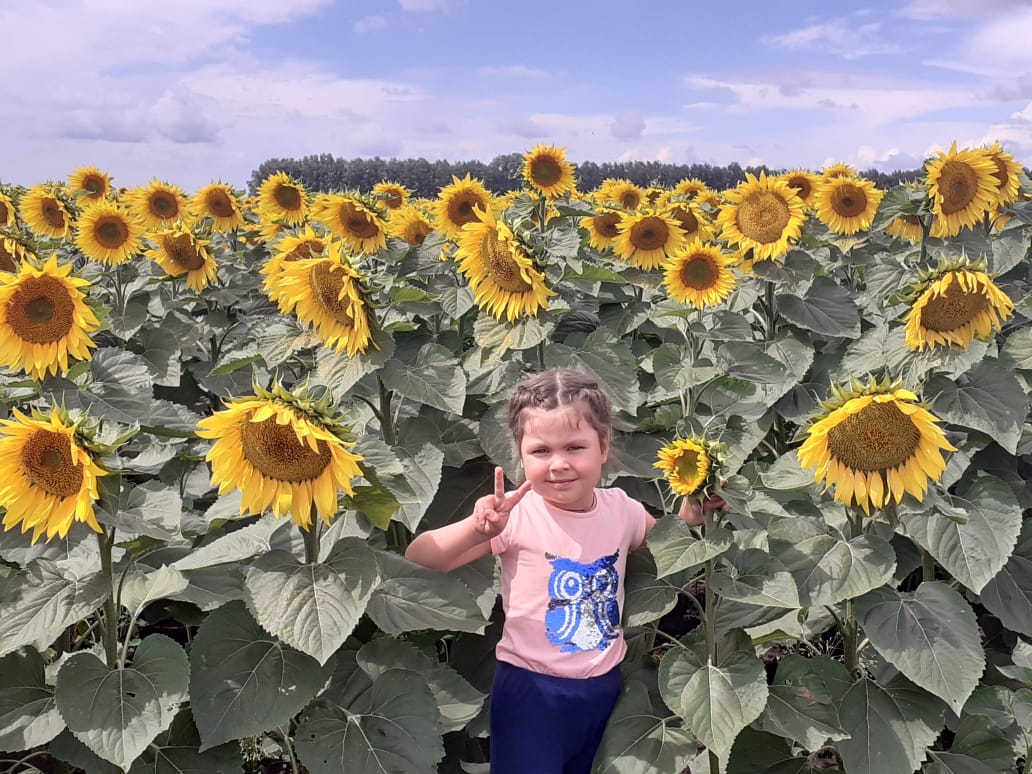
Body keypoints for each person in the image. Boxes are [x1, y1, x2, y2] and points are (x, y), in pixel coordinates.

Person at [405, 368, 725, 774]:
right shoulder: (516, 517)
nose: (559, 464)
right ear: (519, 454)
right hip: (532, 694)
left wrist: (693, 511)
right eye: (541, 451)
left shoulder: (621, 509)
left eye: (575, 447)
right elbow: (421, 557)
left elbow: (665, 542)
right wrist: (476, 527)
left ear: (604, 446)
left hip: (605, 688)